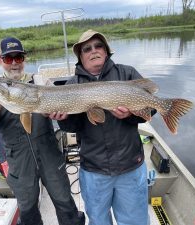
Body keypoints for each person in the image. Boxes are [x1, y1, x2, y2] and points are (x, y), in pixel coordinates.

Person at [0, 37, 85, 225]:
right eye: (9, 59)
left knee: (65, 202)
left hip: (50, 154)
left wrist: (62, 114)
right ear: (0, 60)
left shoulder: (41, 81)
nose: (15, 63)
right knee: (28, 210)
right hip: (19, 161)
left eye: (19, 58)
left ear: (24, 59)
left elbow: (63, 105)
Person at [50, 29, 154, 225]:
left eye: (98, 46)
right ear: (80, 57)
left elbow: (150, 111)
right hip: (94, 169)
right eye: (87, 49)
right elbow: (73, 127)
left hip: (130, 165)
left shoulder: (127, 73)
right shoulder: (72, 85)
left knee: (135, 221)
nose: (93, 51)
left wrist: (131, 114)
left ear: (106, 51)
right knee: (98, 221)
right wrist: (62, 119)